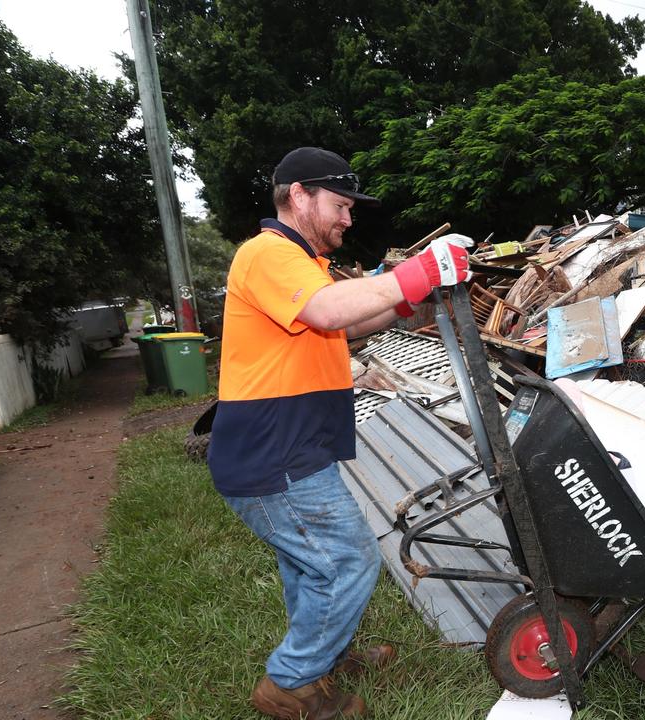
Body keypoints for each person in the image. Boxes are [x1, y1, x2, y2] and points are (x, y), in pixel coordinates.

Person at [207, 147, 472, 720]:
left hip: (289, 446)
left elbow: (345, 318)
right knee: (348, 561)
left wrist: (406, 302)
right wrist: (419, 270)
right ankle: (292, 683)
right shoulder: (268, 253)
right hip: (273, 454)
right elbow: (329, 312)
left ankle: (323, 654)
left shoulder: (304, 264)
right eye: (340, 205)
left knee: (311, 564)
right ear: (298, 195)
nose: (348, 219)